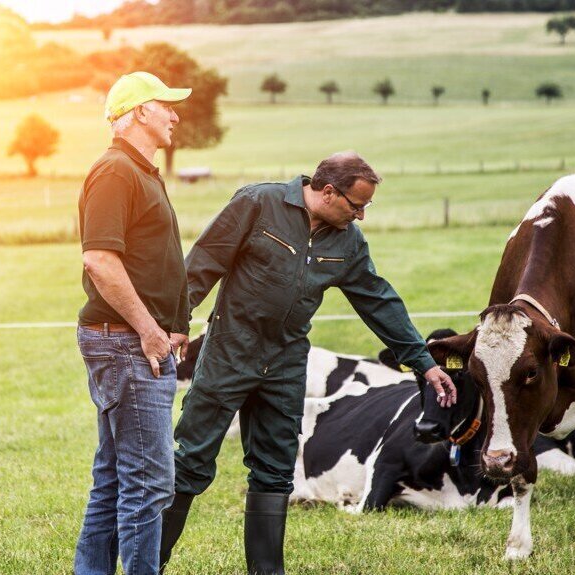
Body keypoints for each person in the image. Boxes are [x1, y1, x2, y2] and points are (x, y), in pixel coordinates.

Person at [158, 152, 457, 574]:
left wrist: (423, 362)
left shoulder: (348, 242)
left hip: (286, 363)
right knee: (191, 461)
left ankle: (267, 571)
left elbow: (379, 301)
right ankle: (148, 564)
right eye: (357, 206)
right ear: (328, 192)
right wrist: (175, 323)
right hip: (229, 352)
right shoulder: (257, 204)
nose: (361, 216)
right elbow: (202, 264)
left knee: (276, 470)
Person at [75, 71, 193, 575]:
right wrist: (149, 329)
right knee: (148, 482)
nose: (175, 115)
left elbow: (152, 258)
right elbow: (100, 260)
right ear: (141, 111)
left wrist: (174, 320)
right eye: (166, 105)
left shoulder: (140, 170)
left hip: (134, 340)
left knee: (115, 479)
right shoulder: (116, 171)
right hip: (127, 344)